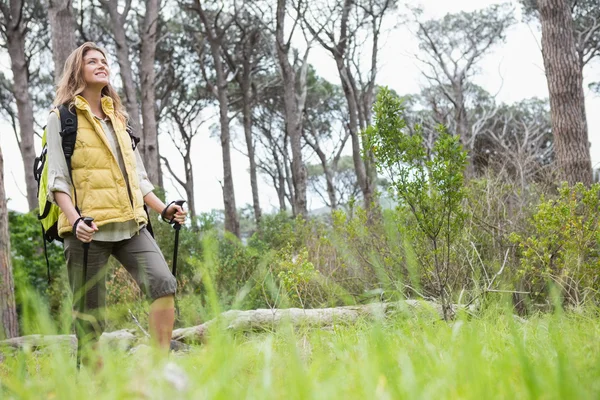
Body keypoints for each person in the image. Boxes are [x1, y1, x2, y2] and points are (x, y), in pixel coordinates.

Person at [47, 42, 185, 365]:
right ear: (77, 70)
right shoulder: (62, 118)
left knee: (163, 283)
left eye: (104, 61)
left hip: (131, 224)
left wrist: (163, 209)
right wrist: (76, 220)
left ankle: (159, 367)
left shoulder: (117, 118)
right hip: (88, 232)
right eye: (91, 61)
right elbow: (58, 181)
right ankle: (96, 387)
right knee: (91, 319)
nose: (100, 65)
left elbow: (138, 177)